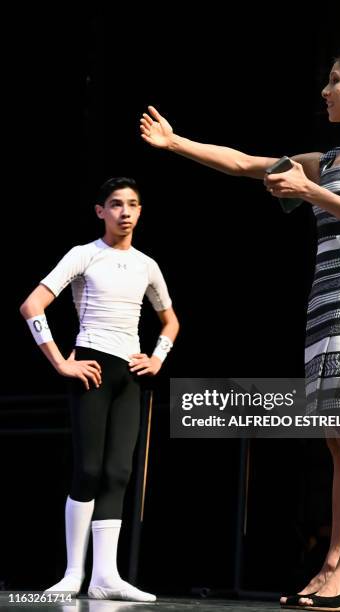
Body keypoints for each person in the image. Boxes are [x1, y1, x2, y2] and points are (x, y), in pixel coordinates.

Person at [140, 51, 340, 611]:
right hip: (324, 298)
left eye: (334, 82)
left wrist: (311, 192)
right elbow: (243, 163)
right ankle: (335, 563)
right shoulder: (328, 157)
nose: (325, 90)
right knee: (334, 431)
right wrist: (176, 142)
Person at [20, 177, 179, 603]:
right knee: (88, 469)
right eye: (115, 204)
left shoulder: (147, 265)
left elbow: (171, 320)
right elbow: (32, 305)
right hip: (91, 366)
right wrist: (61, 362)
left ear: (140, 212)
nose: (124, 212)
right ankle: (74, 573)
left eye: (132, 204)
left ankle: (106, 577)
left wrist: (158, 356)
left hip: (131, 373)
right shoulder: (83, 255)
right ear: (100, 211)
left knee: (119, 472)